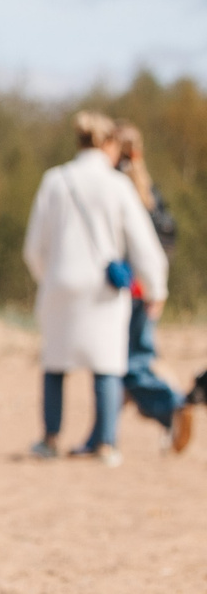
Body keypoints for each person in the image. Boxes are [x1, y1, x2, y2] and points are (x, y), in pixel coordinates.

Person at [23, 112, 166, 466]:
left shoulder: (54, 180)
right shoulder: (116, 185)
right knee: (107, 365)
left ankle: (50, 439)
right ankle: (105, 444)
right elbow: (143, 243)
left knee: (55, 363)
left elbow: (33, 247)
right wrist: (155, 287)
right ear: (108, 144)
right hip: (104, 289)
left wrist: (49, 276)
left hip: (60, 282)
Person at [113, 122, 186, 451]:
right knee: (129, 362)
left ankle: (173, 405)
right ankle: (105, 435)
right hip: (148, 289)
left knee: (127, 364)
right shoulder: (148, 189)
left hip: (129, 288)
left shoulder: (118, 186)